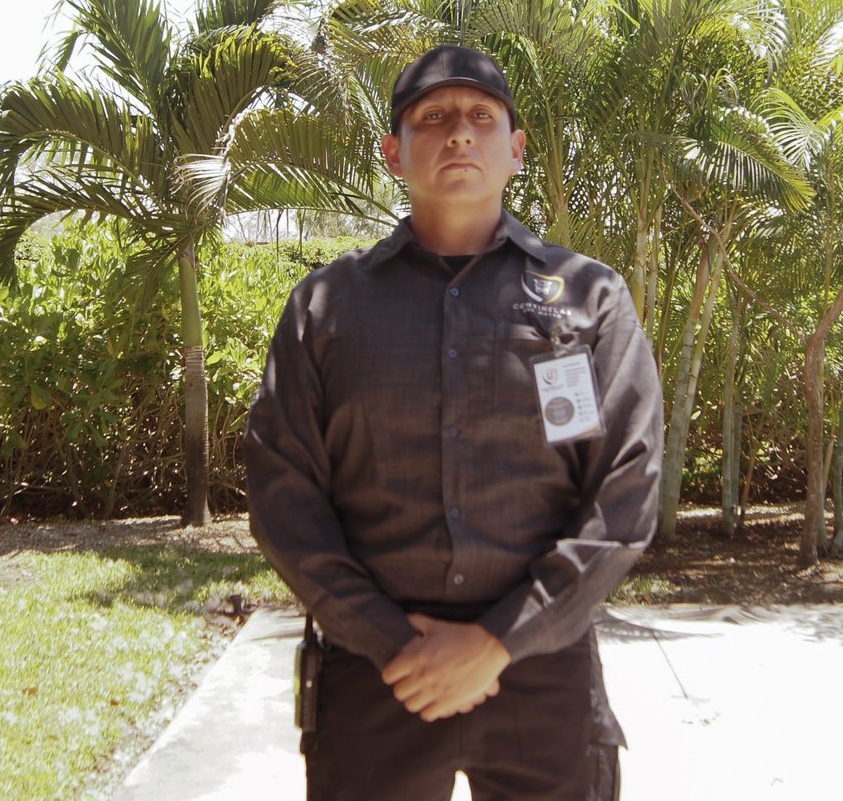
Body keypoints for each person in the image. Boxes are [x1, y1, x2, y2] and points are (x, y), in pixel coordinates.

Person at [243, 44, 665, 800]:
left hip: (544, 677)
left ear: (516, 150)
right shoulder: (326, 306)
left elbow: (625, 486)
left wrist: (501, 640)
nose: (460, 132)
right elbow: (285, 497)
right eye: (433, 117)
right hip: (377, 680)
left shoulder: (589, 298)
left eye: (481, 116)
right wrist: (390, 641)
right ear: (393, 152)